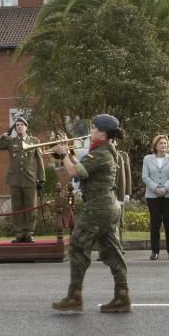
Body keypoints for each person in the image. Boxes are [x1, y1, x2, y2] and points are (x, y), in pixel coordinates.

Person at [50, 114, 130, 313]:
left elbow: (76, 173)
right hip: (108, 206)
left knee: (77, 246)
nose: (91, 131)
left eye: (93, 128)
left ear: (102, 133)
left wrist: (65, 154)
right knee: (112, 251)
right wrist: (67, 155)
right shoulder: (105, 151)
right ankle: (122, 296)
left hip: (98, 206)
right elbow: (83, 167)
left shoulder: (102, 152)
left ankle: (74, 296)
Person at [0, 116, 45, 243]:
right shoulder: (11, 141)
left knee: (31, 207)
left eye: (22, 125)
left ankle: (30, 233)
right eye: (17, 125)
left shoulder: (34, 140)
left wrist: (41, 179)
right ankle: (20, 233)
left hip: (29, 178)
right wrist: (4, 135)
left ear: (26, 127)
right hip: (15, 179)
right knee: (17, 208)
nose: (19, 127)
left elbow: (39, 160)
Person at [142, 134, 169, 260]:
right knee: (155, 224)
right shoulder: (147, 159)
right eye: (161, 143)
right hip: (152, 195)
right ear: (155, 145)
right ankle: (155, 251)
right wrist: (156, 188)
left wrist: (165, 188)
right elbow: (145, 177)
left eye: (165, 143)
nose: (164, 145)